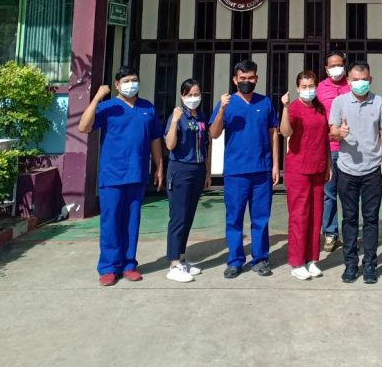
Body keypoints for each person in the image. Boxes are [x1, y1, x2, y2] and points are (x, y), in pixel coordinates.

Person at [79, 66, 164, 286]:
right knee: (111, 222)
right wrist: (97, 97)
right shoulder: (107, 107)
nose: (131, 84)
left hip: (137, 174)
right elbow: (83, 127)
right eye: (126, 81)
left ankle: (129, 265)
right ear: (117, 85)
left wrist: (159, 166)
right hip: (112, 175)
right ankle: (109, 267)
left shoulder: (147, 108)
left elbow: (155, 138)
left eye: (134, 80)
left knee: (132, 222)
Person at [209, 59, 280, 279]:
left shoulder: (265, 102)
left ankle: (260, 259)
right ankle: (235, 260)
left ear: (256, 78)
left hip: (261, 170)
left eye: (250, 78)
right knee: (234, 218)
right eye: (242, 78)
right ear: (235, 80)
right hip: (236, 172)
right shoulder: (228, 103)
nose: (246, 81)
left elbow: (274, 134)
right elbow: (214, 133)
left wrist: (276, 165)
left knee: (261, 218)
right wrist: (221, 110)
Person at [329, 60, 382, 285]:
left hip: (372, 171)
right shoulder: (339, 102)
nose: (360, 83)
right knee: (349, 219)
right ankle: (350, 264)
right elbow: (332, 133)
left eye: (364, 80)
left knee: (371, 219)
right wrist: (339, 133)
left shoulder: (380, 103)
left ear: (370, 80)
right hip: (346, 170)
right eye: (355, 80)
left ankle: (370, 265)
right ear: (348, 81)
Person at [280, 70, 332, 281]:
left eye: (311, 86)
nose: (308, 90)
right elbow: (286, 132)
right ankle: (297, 262)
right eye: (304, 87)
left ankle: (311, 259)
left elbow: (325, 138)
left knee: (316, 214)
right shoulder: (293, 108)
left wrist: (328, 164)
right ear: (297, 88)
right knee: (299, 215)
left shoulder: (320, 108)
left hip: (318, 167)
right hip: (298, 169)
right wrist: (284, 108)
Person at [163, 78, 211, 283]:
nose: (193, 98)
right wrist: (174, 121)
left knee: (189, 216)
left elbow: (205, 145)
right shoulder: (178, 115)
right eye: (189, 94)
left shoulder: (201, 116)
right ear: (182, 96)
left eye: (196, 94)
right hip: (180, 170)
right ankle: (173, 264)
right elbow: (170, 145)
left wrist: (207, 172)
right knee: (178, 217)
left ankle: (182, 259)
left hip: (197, 170)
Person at [317, 49, 351, 252]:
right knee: (328, 193)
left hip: (350, 149)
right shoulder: (319, 89)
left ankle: (350, 234)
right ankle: (330, 233)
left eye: (340, 64)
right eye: (333, 65)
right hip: (328, 149)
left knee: (349, 194)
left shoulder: (353, 86)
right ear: (326, 68)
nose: (336, 68)